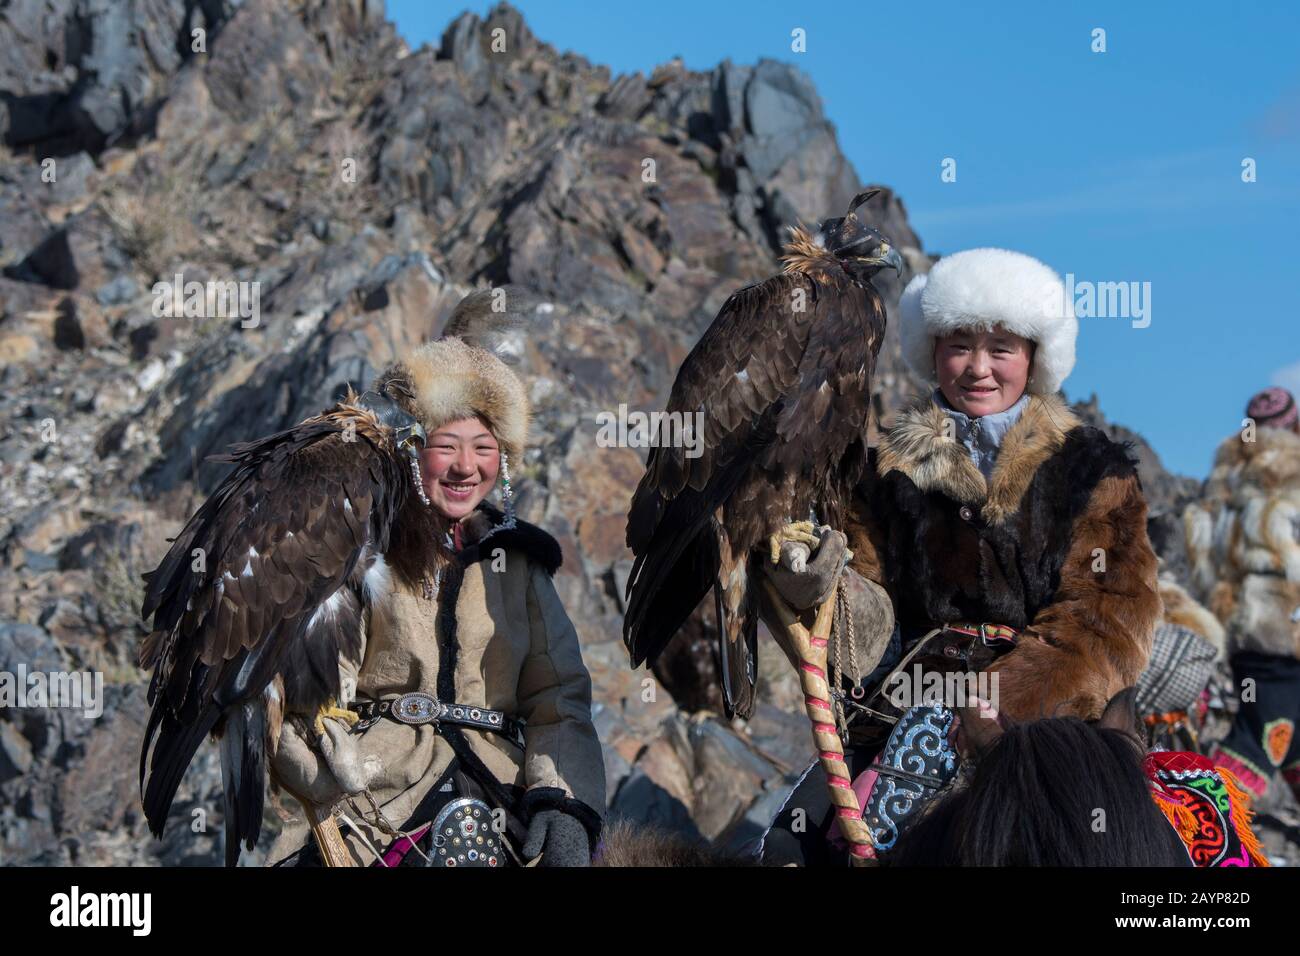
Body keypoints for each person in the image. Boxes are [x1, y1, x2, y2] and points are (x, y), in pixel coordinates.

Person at [758, 248, 1162, 864]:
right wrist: (817, 591)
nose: (978, 368)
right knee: (789, 846)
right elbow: (871, 629)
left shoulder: (1092, 471)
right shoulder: (877, 477)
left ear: (1034, 357)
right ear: (933, 351)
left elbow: (1107, 623)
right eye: (958, 345)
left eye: (1001, 348)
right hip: (905, 715)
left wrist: (994, 706)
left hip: (1051, 724)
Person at [267, 335, 606, 866]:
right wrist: (314, 761)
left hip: (503, 791)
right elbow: (321, 682)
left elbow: (559, 699)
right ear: (412, 449)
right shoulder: (363, 548)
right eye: (446, 446)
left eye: (484, 448)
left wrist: (564, 803)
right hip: (378, 796)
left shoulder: (518, 564)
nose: (465, 467)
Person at [1186, 386, 1300, 806]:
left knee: (1288, 739)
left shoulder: (1224, 483)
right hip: (1282, 636)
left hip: (1246, 635)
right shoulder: (1291, 478)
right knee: (1257, 742)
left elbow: (1203, 563)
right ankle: (1200, 825)